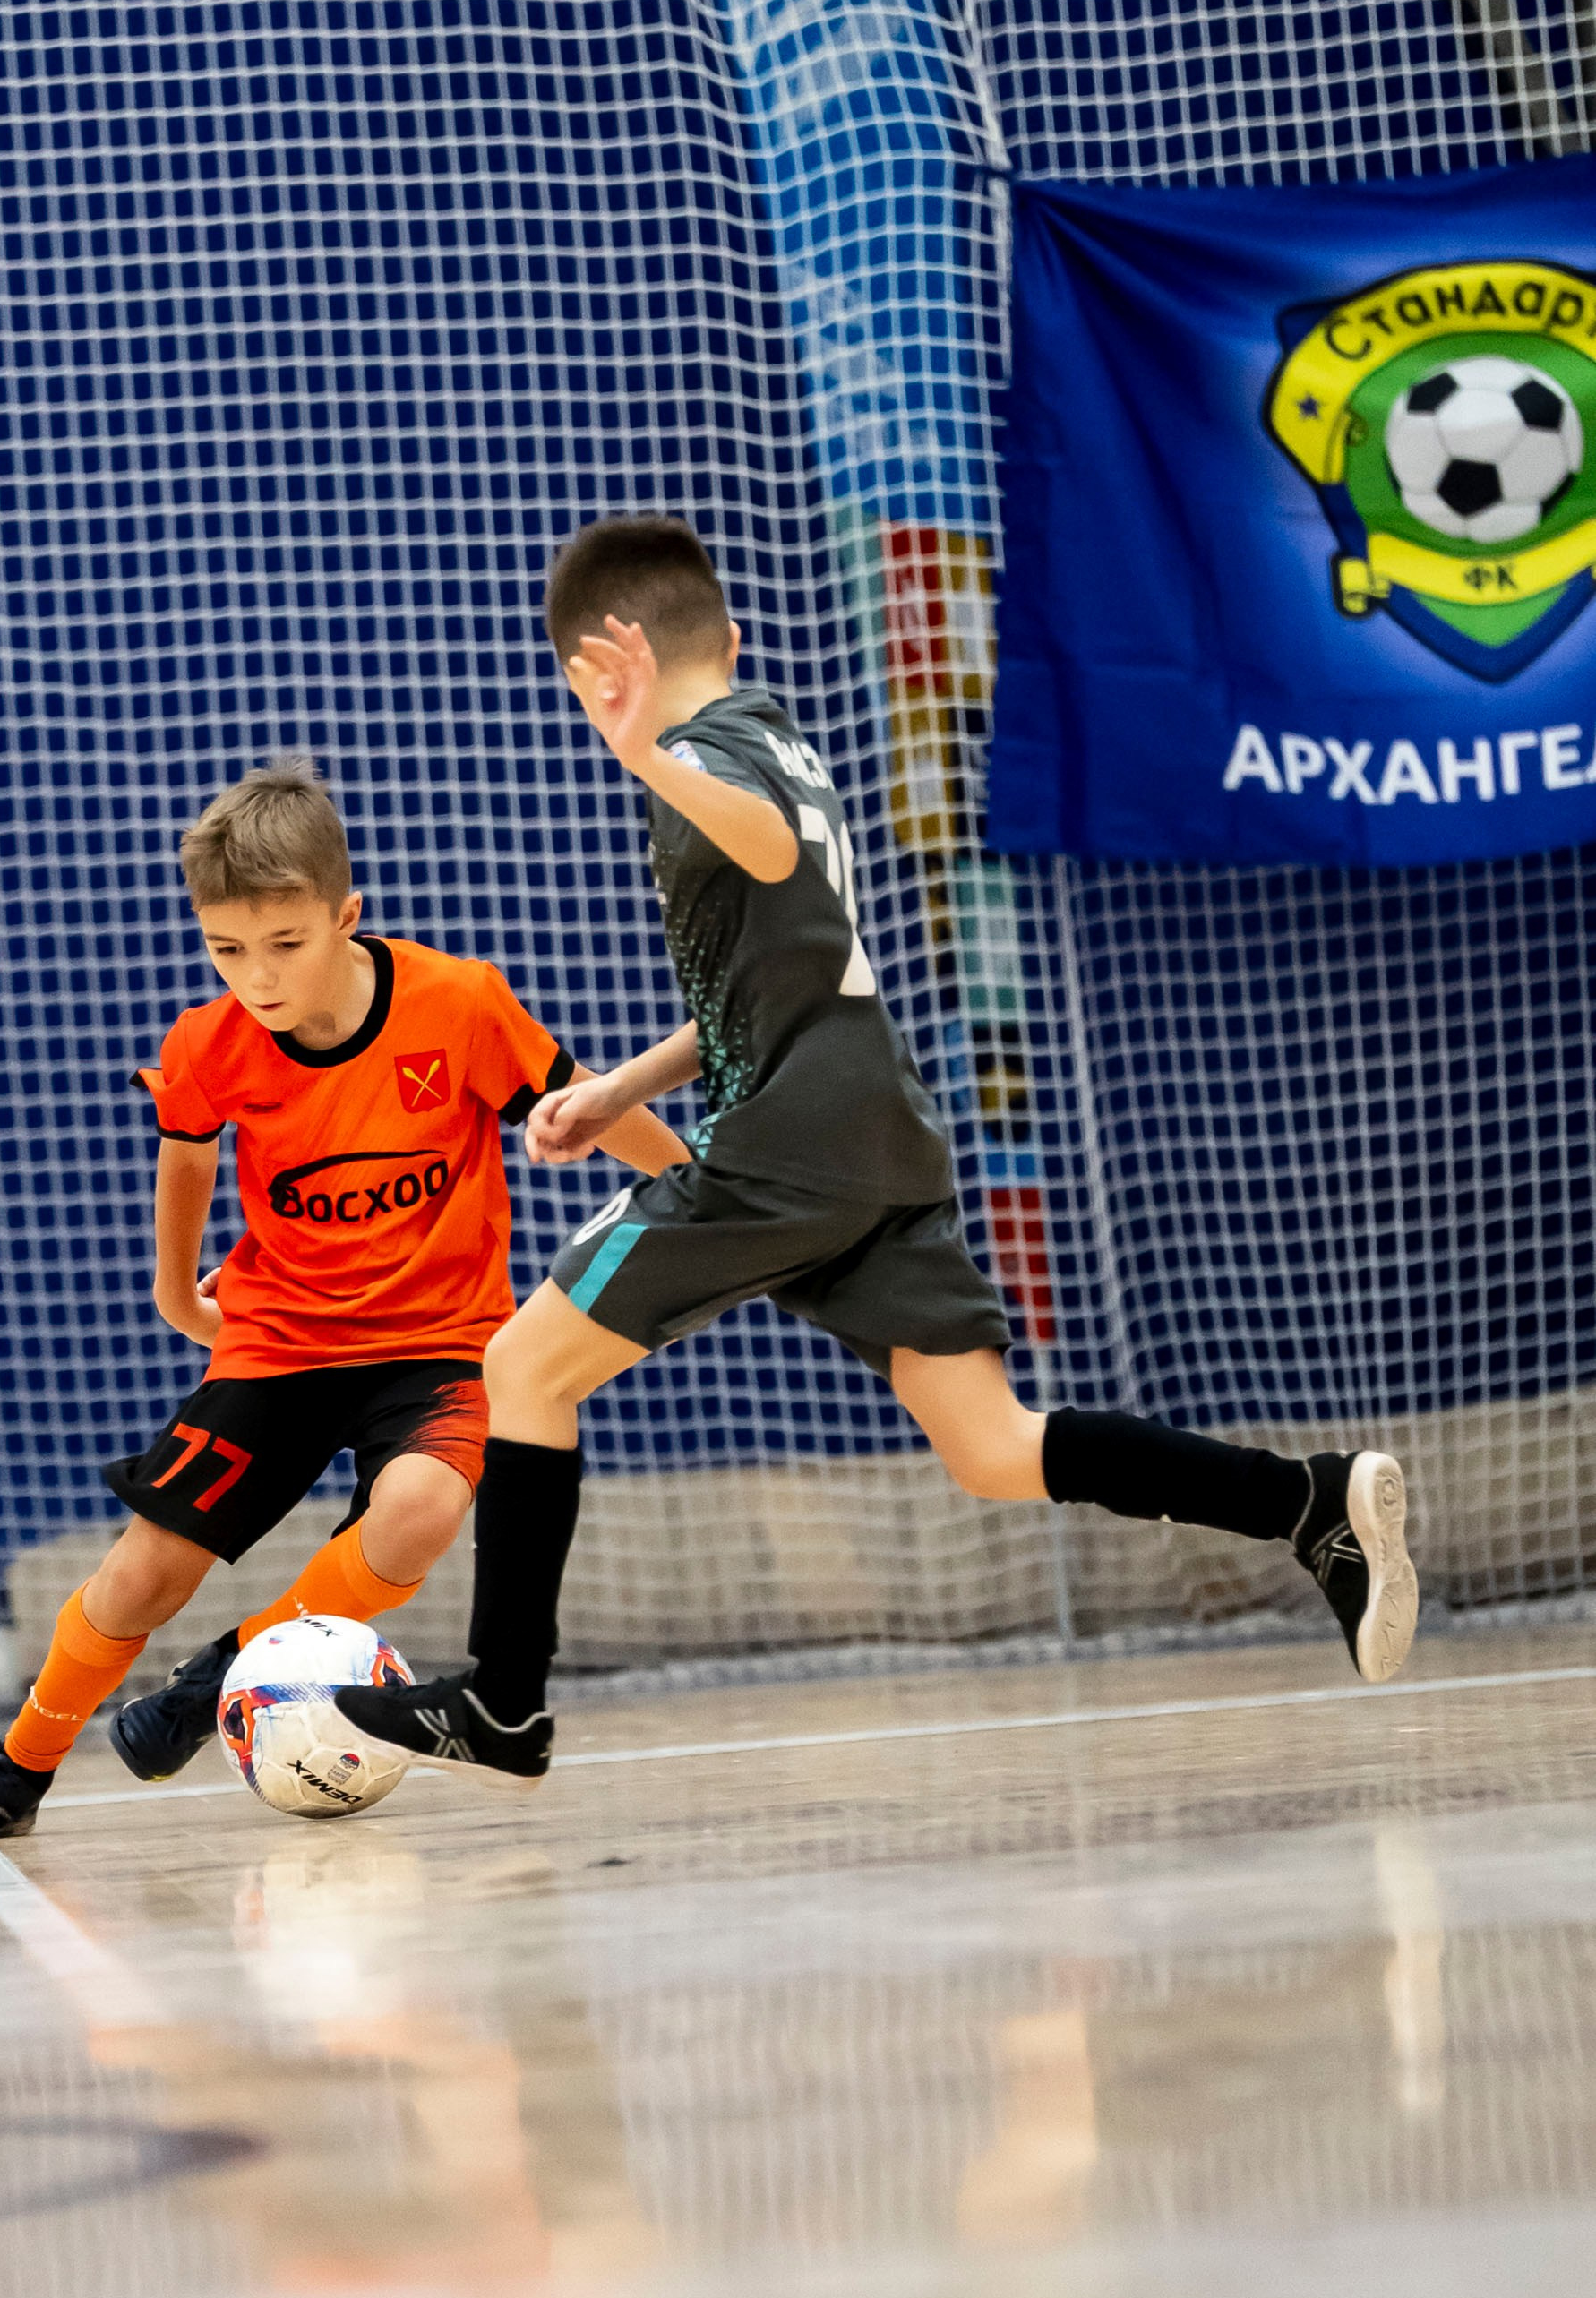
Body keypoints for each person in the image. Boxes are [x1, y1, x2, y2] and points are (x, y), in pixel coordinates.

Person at [336, 512, 1420, 1787]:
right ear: (728, 635)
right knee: (993, 1448)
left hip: (786, 1149)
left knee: (520, 1366)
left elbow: (766, 848)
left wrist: (642, 752)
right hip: (873, 1137)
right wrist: (616, 1086)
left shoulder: (699, 759)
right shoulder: (777, 732)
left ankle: (505, 1703)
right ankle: (1305, 1501)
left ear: (592, 663)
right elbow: (778, 971)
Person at [0, 756, 684, 1845]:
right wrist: (179, 1298)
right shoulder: (209, 1042)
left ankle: (219, 1678)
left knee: (418, 1510)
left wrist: (693, 1184)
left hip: (442, 1344)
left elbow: (582, 1102)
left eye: (285, 944)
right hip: (280, 1341)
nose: (256, 977)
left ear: (346, 916)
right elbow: (186, 1169)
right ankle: (18, 1761)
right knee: (143, 1572)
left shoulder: (457, 1003)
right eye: (226, 949)